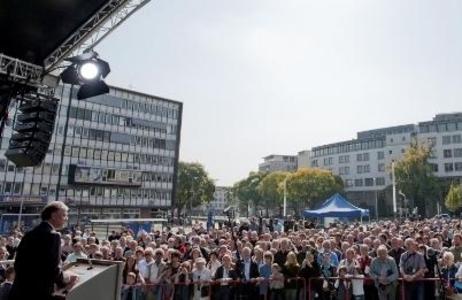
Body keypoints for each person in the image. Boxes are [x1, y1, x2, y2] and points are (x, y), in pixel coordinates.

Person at [9, 201, 78, 300]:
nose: (66, 219)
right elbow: (54, 270)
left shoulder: (29, 234)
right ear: (53, 215)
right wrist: (66, 278)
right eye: (64, 215)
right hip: (39, 294)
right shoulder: (53, 236)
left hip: (19, 292)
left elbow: (19, 264)